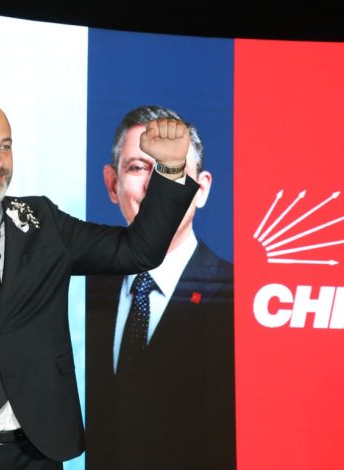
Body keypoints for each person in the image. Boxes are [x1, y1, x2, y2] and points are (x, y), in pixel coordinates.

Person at [0, 99, 199, 470]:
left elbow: (137, 251)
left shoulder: (43, 222)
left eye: (5, 146)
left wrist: (170, 169)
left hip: (36, 450)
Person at [85, 105, 235, 470]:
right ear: (112, 183)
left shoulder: (236, 298)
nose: (156, 185)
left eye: (172, 169)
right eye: (138, 167)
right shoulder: (82, 293)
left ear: (201, 189)